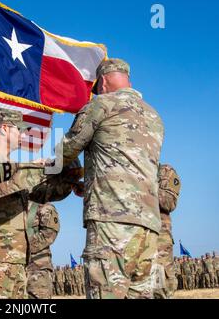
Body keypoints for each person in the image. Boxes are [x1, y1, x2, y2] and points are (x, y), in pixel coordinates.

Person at [57, 58, 164, 299]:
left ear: (103, 81)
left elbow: (67, 149)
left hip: (111, 220)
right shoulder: (154, 116)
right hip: (148, 225)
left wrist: (54, 170)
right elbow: (130, 164)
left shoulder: (102, 105)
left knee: (105, 293)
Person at [0, 108, 81, 299]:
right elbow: (1, 185)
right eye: (18, 130)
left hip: (18, 258)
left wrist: (66, 171)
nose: (22, 135)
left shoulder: (16, 170)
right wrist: (35, 169)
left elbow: (44, 194)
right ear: (5, 129)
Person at [152, 164, 181, 299]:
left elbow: (169, 203)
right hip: (129, 238)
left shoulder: (165, 171)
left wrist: (143, 186)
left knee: (160, 289)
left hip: (158, 240)